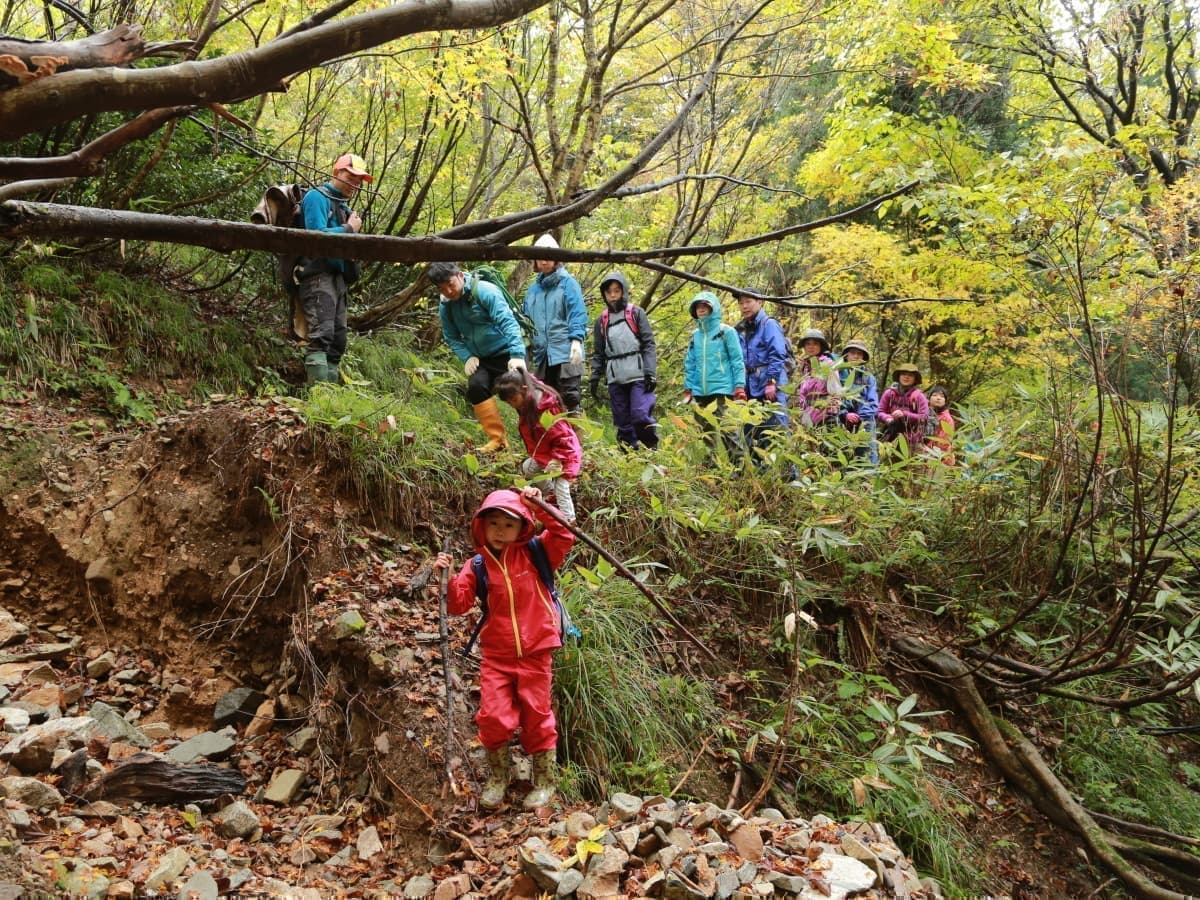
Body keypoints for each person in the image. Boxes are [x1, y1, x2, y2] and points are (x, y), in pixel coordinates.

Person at [432, 486, 574, 811]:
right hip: (497, 657)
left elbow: (564, 533)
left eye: (509, 524)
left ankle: (545, 782)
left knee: (537, 717)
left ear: (522, 526)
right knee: (494, 717)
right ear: (481, 526)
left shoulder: (537, 553)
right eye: (493, 523)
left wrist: (538, 506)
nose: (500, 530)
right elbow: (458, 604)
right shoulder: (477, 565)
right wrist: (448, 578)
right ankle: (498, 778)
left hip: (536, 652)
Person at [430, 261, 529, 453]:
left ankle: (538, 442)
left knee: (520, 394)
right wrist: (466, 357)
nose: (448, 291)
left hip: (507, 352)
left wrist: (517, 354)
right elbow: (451, 336)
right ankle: (498, 440)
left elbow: (508, 322)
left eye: (450, 284)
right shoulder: (446, 305)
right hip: (481, 358)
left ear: (460, 276)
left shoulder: (485, 291)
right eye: (442, 288)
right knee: (476, 388)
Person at [297, 153, 371, 384]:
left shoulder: (345, 208)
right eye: (350, 177)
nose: (354, 185)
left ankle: (330, 398)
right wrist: (349, 229)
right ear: (337, 172)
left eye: (359, 181)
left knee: (338, 341)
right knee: (321, 335)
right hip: (318, 275)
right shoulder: (317, 197)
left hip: (338, 279)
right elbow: (315, 236)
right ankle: (318, 398)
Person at [494, 369, 583, 521]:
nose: (512, 404)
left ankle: (569, 522)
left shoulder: (546, 410)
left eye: (513, 400)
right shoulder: (528, 402)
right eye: (508, 402)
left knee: (561, 487)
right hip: (546, 454)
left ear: (524, 390)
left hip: (565, 455)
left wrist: (558, 459)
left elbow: (564, 437)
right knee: (528, 468)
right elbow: (529, 378)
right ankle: (551, 496)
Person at [589, 271, 658, 450]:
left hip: (639, 375)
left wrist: (650, 372)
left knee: (640, 415)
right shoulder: (602, 321)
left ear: (623, 291)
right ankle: (629, 455)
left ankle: (651, 449)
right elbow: (599, 352)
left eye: (616, 291)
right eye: (609, 292)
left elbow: (648, 344)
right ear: (604, 294)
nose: (613, 295)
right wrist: (595, 376)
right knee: (623, 422)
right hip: (615, 378)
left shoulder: (636, 313)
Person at [523, 234, 588, 414]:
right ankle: (554, 433)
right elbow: (526, 322)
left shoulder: (568, 284)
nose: (544, 262)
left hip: (566, 351)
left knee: (570, 399)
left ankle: (576, 432)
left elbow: (577, 312)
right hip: (542, 354)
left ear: (557, 258)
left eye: (548, 257)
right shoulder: (532, 291)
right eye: (540, 257)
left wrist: (576, 340)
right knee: (546, 403)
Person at [683, 291, 746, 461]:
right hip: (700, 392)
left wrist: (739, 386)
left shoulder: (726, 331)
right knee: (706, 436)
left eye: (705, 306)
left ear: (714, 309)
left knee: (729, 433)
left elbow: (737, 360)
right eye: (697, 306)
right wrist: (688, 388)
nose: (701, 309)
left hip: (722, 390)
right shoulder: (695, 336)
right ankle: (712, 471)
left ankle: (740, 471)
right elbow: (690, 363)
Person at [732, 290, 791, 467]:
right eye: (741, 303)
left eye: (748, 301)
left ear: (760, 302)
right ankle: (760, 476)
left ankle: (789, 476)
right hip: (750, 387)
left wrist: (771, 381)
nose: (744, 306)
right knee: (752, 434)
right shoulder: (740, 329)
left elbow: (778, 354)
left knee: (777, 432)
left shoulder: (769, 324)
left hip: (770, 385)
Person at [837, 339, 880, 464]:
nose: (856, 356)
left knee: (867, 457)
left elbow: (873, 403)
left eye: (859, 354)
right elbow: (834, 397)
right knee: (844, 458)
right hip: (842, 422)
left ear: (863, 358)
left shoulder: (868, 377)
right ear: (846, 355)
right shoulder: (838, 374)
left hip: (865, 423)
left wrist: (859, 417)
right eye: (852, 352)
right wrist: (844, 414)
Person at [793, 328, 841, 429]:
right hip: (807, 417)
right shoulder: (805, 367)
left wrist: (831, 413)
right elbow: (802, 394)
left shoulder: (828, 365)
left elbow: (836, 393)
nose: (811, 347)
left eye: (815, 343)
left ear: (821, 346)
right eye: (808, 344)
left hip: (825, 417)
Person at [878, 363, 929, 456]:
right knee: (887, 462)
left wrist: (905, 414)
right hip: (890, 437)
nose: (906, 377)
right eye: (903, 374)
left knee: (910, 464)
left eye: (910, 375)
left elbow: (924, 417)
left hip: (912, 440)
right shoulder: (889, 393)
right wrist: (888, 418)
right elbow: (880, 412)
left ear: (915, 379)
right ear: (899, 376)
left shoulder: (919, 396)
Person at [924, 385, 956, 466]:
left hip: (939, 459)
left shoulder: (946, 418)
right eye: (935, 395)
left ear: (945, 401)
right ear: (929, 398)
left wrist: (927, 450)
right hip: (923, 454)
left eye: (942, 396)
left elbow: (944, 442)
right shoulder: (923, 413)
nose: (938, 398)